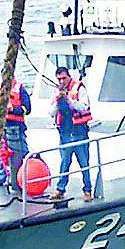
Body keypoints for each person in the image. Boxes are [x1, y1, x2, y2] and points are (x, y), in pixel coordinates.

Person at [48, 66, 94, 202]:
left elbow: (84, 107)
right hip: (65, 133)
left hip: (79, 132)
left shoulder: (80, 88)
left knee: (84, 163)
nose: (62, 81)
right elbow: (51, 112)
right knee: (64, 163)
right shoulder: (56, 91)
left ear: (69, 77)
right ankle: (60, 189)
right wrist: (58, 101)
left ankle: (87, 190)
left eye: (64, 78)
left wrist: (69, 101)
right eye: (59, 79)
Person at [0, 76, 31, 192]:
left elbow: (27, 108)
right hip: (1, 127)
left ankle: (24, 177)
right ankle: (2, 178)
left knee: (22, 152)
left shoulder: (20, 89)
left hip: (16, 127)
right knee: (3, 154)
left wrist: (12, 109)